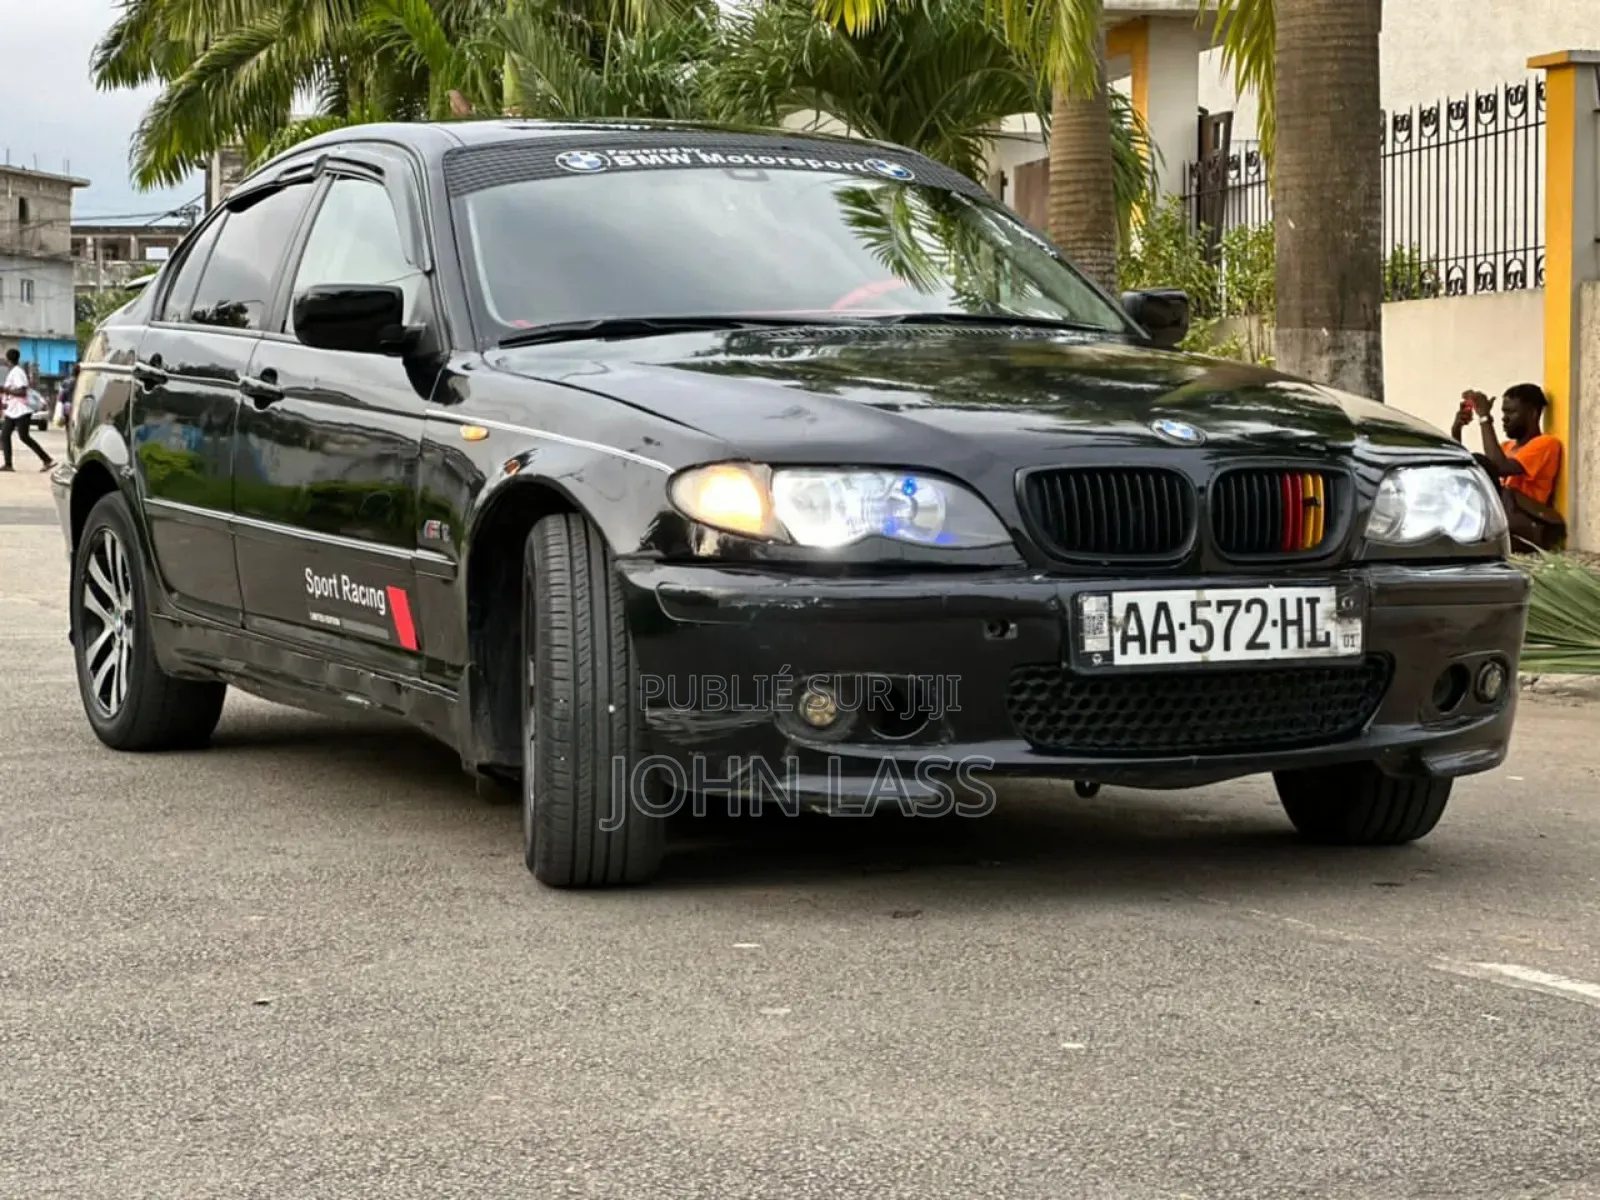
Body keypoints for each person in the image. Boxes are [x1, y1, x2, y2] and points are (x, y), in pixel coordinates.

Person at [1450, 383, 1564, 550]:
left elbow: (1499, 467)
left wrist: (1485, 418)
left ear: (1533, 413)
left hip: (1525, 523)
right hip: (1503, 517)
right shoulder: (1506, 447)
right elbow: (1470, 470)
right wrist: (1457, 430)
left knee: (1480, 462)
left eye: (1511, 412)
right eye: (1504, 412)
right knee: (1467, 471)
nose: (1504, 418)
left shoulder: (1546, 444)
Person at [1, 349, 54, 473]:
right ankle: (8, 464)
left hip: (22, 410)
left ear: (8, 360)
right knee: (5, 435)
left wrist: (5, 390)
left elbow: (22, 392)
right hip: (13, 411)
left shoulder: (18, 372)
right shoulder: (13, 372)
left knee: (24, 436)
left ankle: (47, 459)